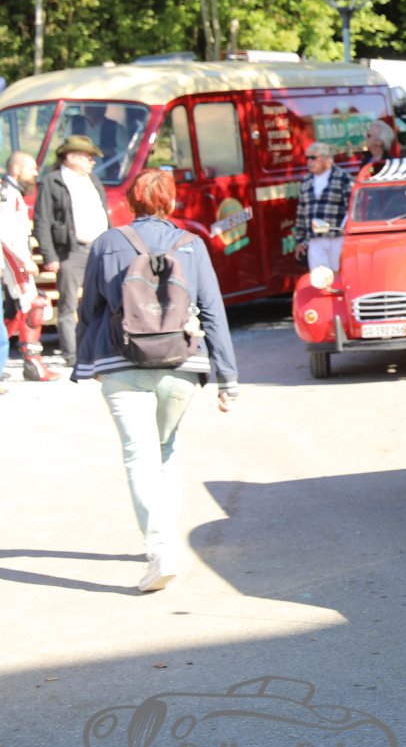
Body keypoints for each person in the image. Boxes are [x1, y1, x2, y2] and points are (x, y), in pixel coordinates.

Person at [72, 168, 238, 592]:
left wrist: (86, 362)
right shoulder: (192, 244)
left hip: (120, 361)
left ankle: (160, 549)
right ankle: (168, 540)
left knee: (137, 454)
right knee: (166, 446)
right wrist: (227, 378)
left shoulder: (107, 243)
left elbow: (89, 309)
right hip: (183, 363)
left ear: (131, 202)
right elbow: (213, 311)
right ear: (172, 202)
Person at [34, 134, 110, 364]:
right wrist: (49, 254)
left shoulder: (92, 180)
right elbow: (42, 220)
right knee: (68, 305)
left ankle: (98, 348)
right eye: (88, 157)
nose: (92, 162)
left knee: (100, 302)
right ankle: (72, 354)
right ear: (71, 157)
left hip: (98, 248)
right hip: (70, 250)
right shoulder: (53, 181)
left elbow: (103, 212)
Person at [2, 151, 54, 381]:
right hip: (11, 263)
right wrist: (23, 262)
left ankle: (30, 363)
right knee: (31, 305)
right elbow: (5, 235)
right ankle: (33, 364)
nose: (35, 173)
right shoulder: (7, 194)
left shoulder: (13, 193)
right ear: (16, 170)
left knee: (19, 310)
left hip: (13, 262)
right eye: (31, 168)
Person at [293, 142, 353, 273]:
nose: (309, 161)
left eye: (313, 157)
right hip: (315, 239)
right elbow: (301, 212)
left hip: (337, 237)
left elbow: (353, 207)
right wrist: (300, 240)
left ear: (327, 158)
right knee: (319, 277)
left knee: (341, 274)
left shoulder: (343, 178)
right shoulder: (306, 181)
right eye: (307, 158)